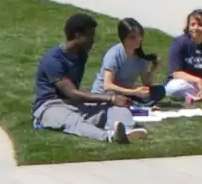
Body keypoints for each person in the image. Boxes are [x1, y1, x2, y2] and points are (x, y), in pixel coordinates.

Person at [34, 12, 146, 144]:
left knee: (113, 109)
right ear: (78, 35)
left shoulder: (81, 55)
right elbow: (71, 92)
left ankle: (127, 129)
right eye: (90, 35)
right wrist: (111, 98)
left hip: (75, 104)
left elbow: (75, 96)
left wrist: (112, 101)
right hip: (50, 106)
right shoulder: (53, 60)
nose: (93, 40)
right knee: (73, 120)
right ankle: (109, 136)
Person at [163, 9, 202, 102]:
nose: (196, 28)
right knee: (173, 88)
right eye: (193, 24)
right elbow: (176, 73)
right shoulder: (179, 42)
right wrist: (198, 80)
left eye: (201, 25)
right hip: (184, 82)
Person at [97, 18, 159, 106]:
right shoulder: (114, 55)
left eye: (139, 35)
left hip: (126, 93)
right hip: (106, 95)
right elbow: (107, 85)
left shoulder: (140, 57)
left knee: (158, 91)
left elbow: (146, 83)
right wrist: (134, 92)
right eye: (132, 37)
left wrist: (154, 68)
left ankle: (136, 102)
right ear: (123, 39)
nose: (138, 39)